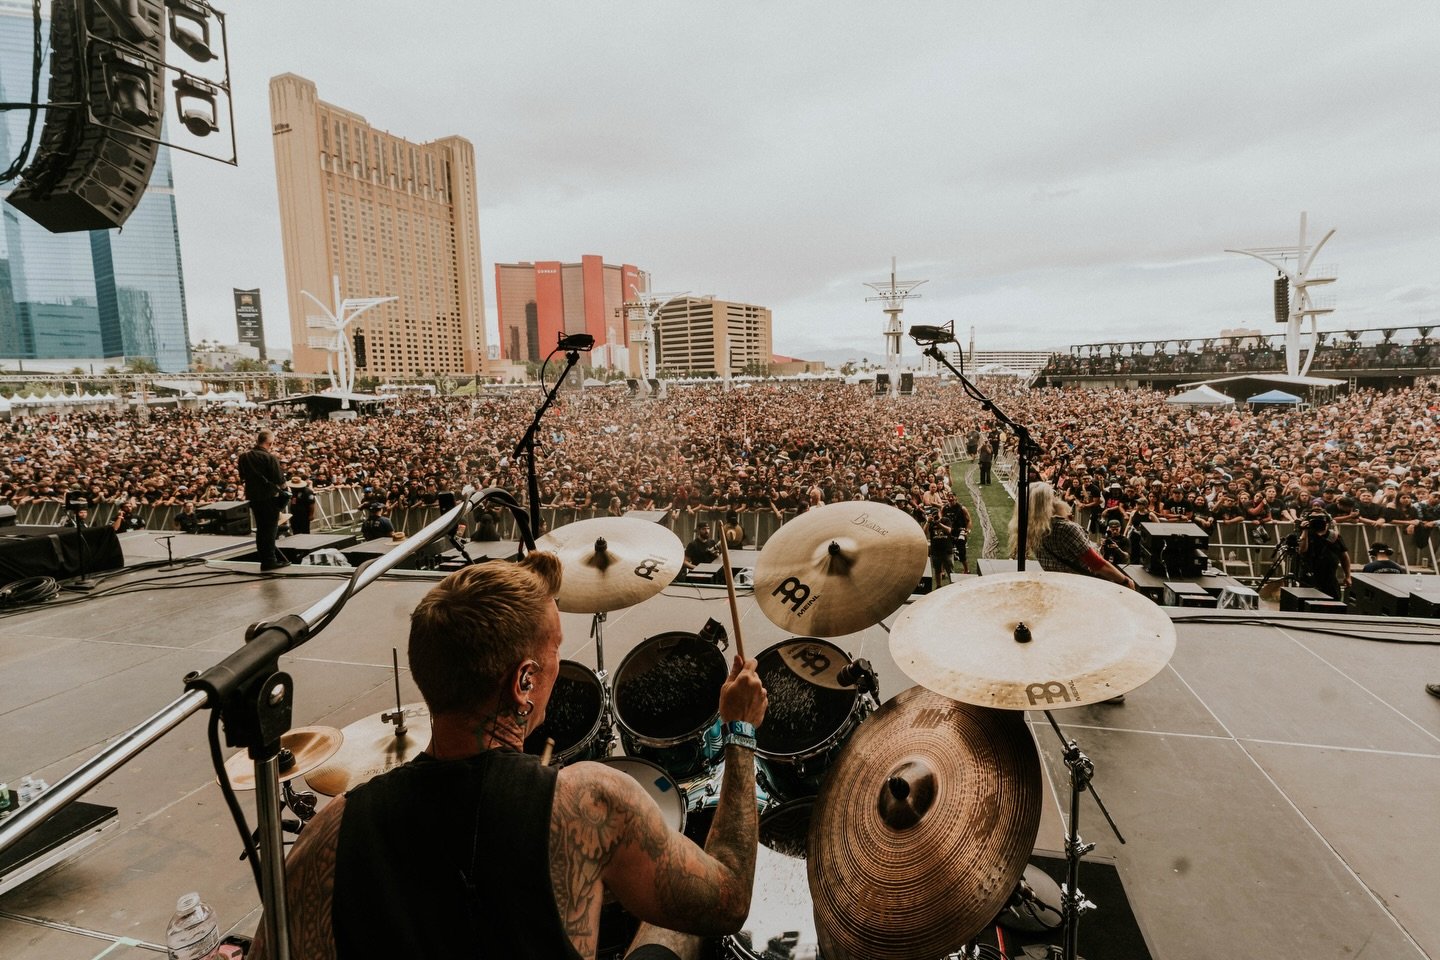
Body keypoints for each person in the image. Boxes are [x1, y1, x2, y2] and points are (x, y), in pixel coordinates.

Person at [249, 553, 768, 960]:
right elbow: (729, 901)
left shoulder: (330, 834)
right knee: (667, 925)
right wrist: (739, 730)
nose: (557, 668)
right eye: (554, 654)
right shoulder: (589, 804)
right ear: (524, 681)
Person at [238, 429, 289, 571]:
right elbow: (280, 480)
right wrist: (286, 491)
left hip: (254, 497)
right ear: (269, 442)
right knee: (270, 530)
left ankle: (265, 560)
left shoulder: (244, 457)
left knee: (261, 530)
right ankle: (270, 561)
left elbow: (242, 476)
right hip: (269, 497)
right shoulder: (270, 458)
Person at [1295, 510, 1351, 600]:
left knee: (1334, 605)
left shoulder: (1334, 536)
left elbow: (1344, 557)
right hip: (1309, 576)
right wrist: (1304, 530)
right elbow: (1302, 550)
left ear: (1327, 522)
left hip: (1329, 577)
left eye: (1321, 519)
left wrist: (1348, 575)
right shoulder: (1305, 534)